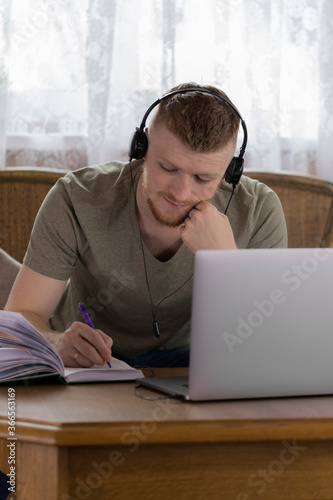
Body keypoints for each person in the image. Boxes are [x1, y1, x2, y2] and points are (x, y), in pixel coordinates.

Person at [5, 82, 287, 368]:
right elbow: (19, 318)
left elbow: (270, 346)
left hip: (193, 364)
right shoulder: (76, 197)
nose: (181, 193)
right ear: (142, 145)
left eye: (203, 179)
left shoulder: (258, 210)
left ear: (230, 170)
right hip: (86, 366)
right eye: (168, 168)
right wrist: (56, 343)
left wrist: (224, 263)